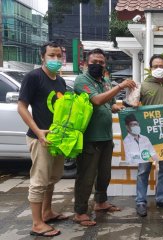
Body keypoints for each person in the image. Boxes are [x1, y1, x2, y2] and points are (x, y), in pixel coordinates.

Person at [73, 48, 136, 226]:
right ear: (86, 63)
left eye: (101, 62)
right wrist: (120, 86)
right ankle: (80, 211)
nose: (98, 65)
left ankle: (100, 202)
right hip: (90, 138)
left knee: (104, 174)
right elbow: (97, 100)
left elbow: (110, 105)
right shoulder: (82, 80)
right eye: (94, 62)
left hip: (106, 137)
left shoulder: (105, 81)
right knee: (86, 176)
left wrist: (124, 108)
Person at [18, 41, 68, 237]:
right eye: (51, 56)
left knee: (52, 179)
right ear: (42, 57)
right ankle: (37, 224)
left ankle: (47, 212)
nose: (56, 59)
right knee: (39, 181)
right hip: (40, 138)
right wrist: (38, 131)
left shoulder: (60, 81)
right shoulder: (33, 77)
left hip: (57, 139)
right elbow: (21, 107)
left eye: (58, 56)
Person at [136, 54, 163, 217]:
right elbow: (132, 104)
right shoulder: (142, 86)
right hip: (146, 136)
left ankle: (162, 199)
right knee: (143, 170)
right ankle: (141, 201)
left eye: (161, 66)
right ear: (150, 67)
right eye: (155, 66)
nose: (158, 69)